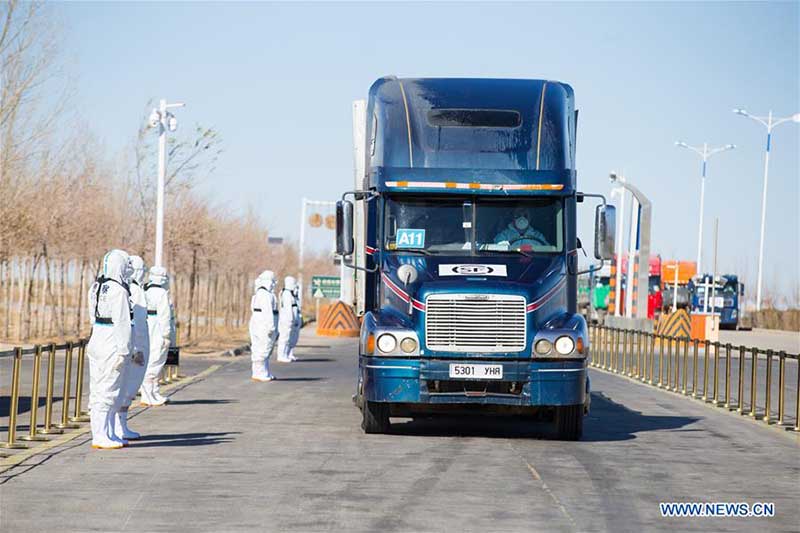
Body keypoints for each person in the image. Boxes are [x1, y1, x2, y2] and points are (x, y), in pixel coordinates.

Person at [86, 249, 132, 450]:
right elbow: (122, 322)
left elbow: (91, 315)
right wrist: (124, 350)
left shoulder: (96, 286)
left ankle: (105, 432)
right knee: (109, 388)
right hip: (111, 340)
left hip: (97, 336)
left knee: (97, 388)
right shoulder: (119, 291)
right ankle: (100, 435)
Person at [114, 255, 149, 440]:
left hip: (138, 342)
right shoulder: (133, 291)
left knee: (129, 385)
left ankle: (122, 423)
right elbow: (135, 322)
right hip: (137, 344)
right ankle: (119, 425)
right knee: (127, 386)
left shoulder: (134, 290)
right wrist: (137, 349)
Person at [140, 266, 172, 407]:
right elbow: (165, 316)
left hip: (146, 326)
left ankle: (153, 392)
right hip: (157, 328)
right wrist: (167, 334)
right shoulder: (161, 293)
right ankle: (148, 395)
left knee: (148, 361)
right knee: (155, 361)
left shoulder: (144, 289)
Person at [249, 270, 278, 381]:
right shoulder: (265, 295)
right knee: (264, 347)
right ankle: (260, 373)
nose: (273, 284)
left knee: (258, 347)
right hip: (263, 323)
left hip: (256, 321)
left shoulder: (258, 294)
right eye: (272, 281)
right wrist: (271, 327)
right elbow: (267, 312)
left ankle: (262, 372)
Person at [277, 276, 301, 363]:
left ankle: (287, 354)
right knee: (284, 338)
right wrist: (291, 319)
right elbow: (288, 309)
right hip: (287, 320)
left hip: (291, 320)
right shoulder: (286, 294)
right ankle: (282, 355)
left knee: (290, 338)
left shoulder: (291, 294)